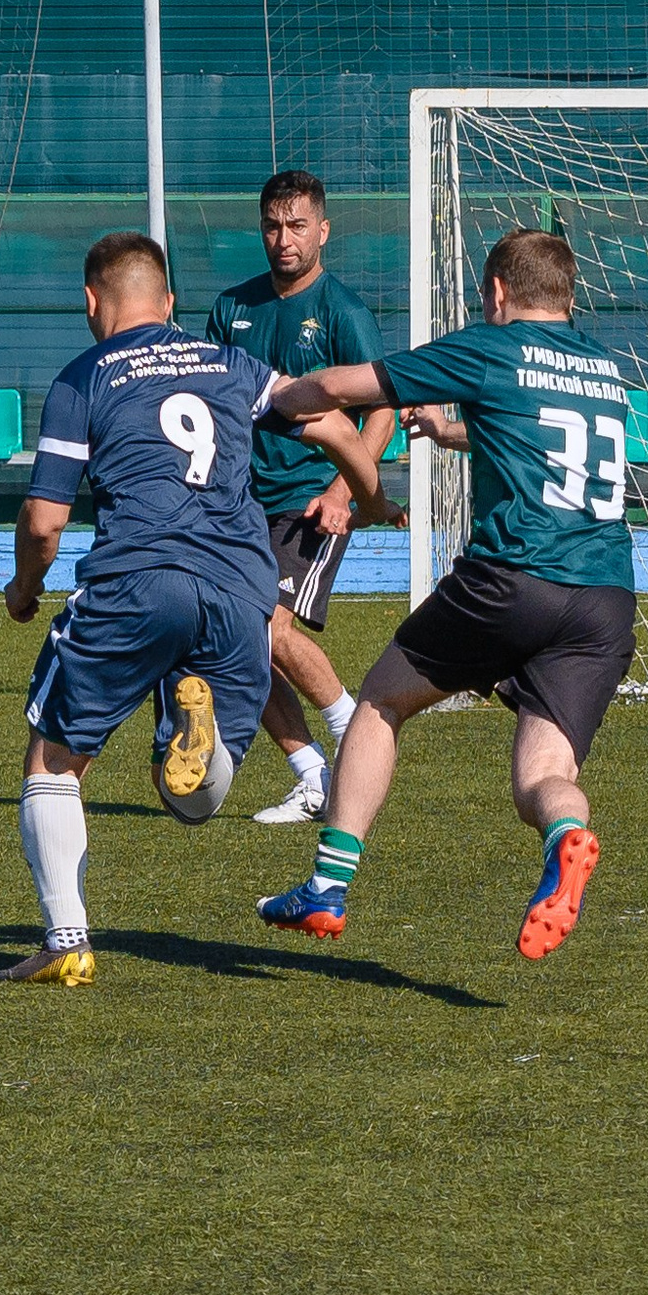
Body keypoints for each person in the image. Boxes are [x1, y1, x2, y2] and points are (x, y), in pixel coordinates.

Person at [0, 230, 381, 985]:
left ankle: (66, 940)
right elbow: (331, 424)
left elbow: (44, 523)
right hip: (241, 592)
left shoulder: (84, 376)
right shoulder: (232, 364)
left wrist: (24, 589)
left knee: (55, 759)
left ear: (91, 302)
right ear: (170, 303)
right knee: (193, 800)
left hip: (137, 579)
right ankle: (192, 721)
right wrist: (370, 497)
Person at [252, 227, 636, 958]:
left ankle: (327, 889)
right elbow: (546, 444)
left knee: (380, 702)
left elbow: (342, 387)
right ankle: (567, 837)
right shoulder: (603, 368)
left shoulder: (495, 346)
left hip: (515, 578)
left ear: (497, 293)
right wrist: (453, 430)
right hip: (606, 599)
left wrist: (273, 403)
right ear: (569, 294)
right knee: (544, 778)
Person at [205, 170, 398, 825]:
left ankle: (351, 730)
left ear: (323, 230)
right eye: (271, 226)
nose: (282, 239)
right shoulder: (232, 308)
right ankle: (312, 774)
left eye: (295, 226)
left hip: (308, 501)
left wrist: (343, 489)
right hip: (237, 504)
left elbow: (381, 417)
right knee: (236, 636)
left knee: (266, 628)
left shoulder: (344, 312)